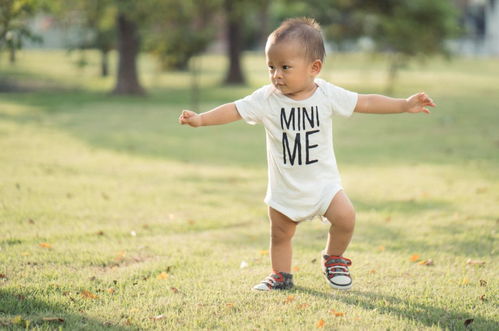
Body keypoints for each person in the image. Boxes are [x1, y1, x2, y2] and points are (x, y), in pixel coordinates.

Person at [178, 17, 435, 291]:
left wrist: (404, 105)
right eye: (271, 67)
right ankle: (280, 275)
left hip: (323, 184)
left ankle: (334, 258)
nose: (277, 74)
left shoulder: (326, 94)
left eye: (285, 67)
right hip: (285, 187)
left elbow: (366, 101)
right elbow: (234, 109)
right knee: (280, 233)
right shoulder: (266, 99)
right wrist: (201, 119)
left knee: (346, 217)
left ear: (314, 68)